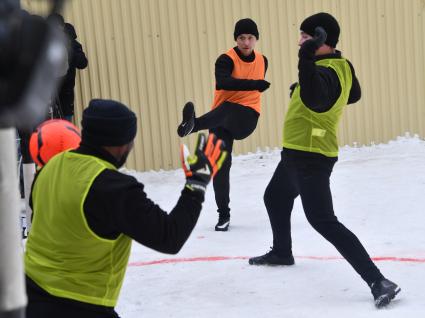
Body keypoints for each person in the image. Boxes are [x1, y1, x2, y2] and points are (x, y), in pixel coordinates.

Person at [248, 13, 400, 308]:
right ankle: (282, 252)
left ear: (321, 40)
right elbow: (352, 94)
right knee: (275, 197)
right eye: (302, 37)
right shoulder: (338, 65)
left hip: (311, 156)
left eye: (306, 38)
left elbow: (318, 100)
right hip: (296, 151)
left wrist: (307, 66)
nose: (300, 42)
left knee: (322, 220)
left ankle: (378, 280)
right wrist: (308, 81)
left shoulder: (325, 70)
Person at [24, 99, 226, 318]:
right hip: (79, 304)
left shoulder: (49, 168)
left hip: (28, 297)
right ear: (121, 144)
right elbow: (169, 237)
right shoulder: (113, 188)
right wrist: (196, 186)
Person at [177, 18, 270, 231]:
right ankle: (224, 216)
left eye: (250, 38)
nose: (246, 42)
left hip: (247, 117)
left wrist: (252, 86)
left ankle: (194, 125)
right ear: (235, 39)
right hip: (220, 119)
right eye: (241, 38)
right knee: (220, 166)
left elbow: (245, 91)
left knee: (229, 107)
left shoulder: (263, 60)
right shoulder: (224, 60)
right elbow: (224, 82)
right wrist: (254, 84)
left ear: (256, 39)